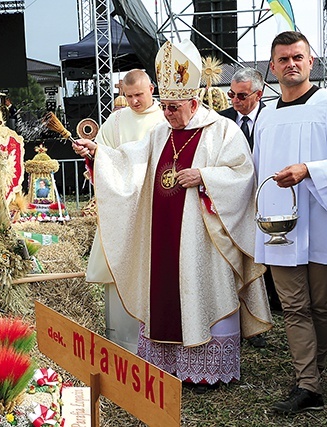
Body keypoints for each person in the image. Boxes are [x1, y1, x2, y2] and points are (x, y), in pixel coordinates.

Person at [74, 40, 272, 392]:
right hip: (162, 236)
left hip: (204, 239)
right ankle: (169, 366)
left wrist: (206, 177)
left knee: (200, 289)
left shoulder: (221, 130)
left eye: (174, 107)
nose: (167, 114)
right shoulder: (159, 133)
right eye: (164, 107)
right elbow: (128, 163)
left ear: (194, 103)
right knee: (166, 293)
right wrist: (97, 153)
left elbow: (244, 174)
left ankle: (207, 370)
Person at [253, 31, 327, 414]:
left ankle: (311, 378)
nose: (291, 64)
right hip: (280, 225)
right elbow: (255, 172)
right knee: (293, 305)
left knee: (321, 304)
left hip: (324, 216)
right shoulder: (265, 116)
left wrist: (309, 170)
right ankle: (308, 384)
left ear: (311, 62)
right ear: (272, 66)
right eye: (283, 58)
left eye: (297, 57)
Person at [76, 68, 165, 354]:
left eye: (139, 94)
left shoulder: (166, 118)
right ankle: (121, 341)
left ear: (151, 88)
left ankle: (157, 342)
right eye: (128, 96)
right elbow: (104, 158)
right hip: (121, 211)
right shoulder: (115, 121)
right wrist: (92, 153)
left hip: (155, 206)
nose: (134, 101)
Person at [220, 68, 277, 348]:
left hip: (267, 198)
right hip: (232, 204)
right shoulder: (221, 122)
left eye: (241, 95)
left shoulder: (274, 118)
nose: (234, 100)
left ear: (259, 94)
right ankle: (236, 318)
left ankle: (261, 318)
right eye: (231, 94)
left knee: (265, 260)